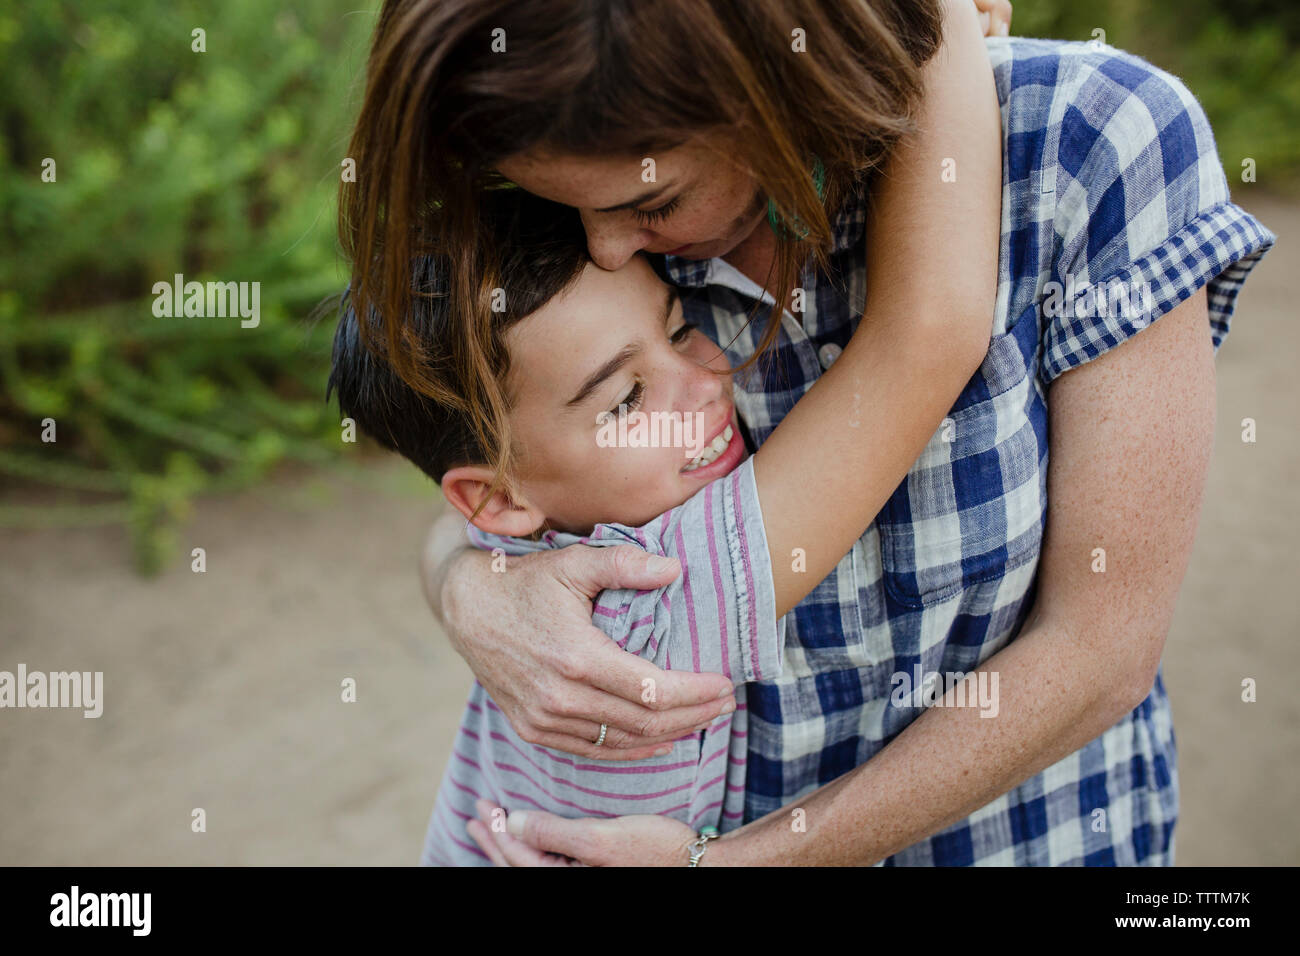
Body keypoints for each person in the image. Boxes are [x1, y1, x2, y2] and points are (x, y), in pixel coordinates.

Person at [341, 0, 1274, 865]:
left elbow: (1100, 652)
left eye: (652, 204)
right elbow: (508, 497)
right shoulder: (580, 256)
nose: (608, 248)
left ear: (778, 88)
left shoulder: (1087, 142)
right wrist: (471, 584)